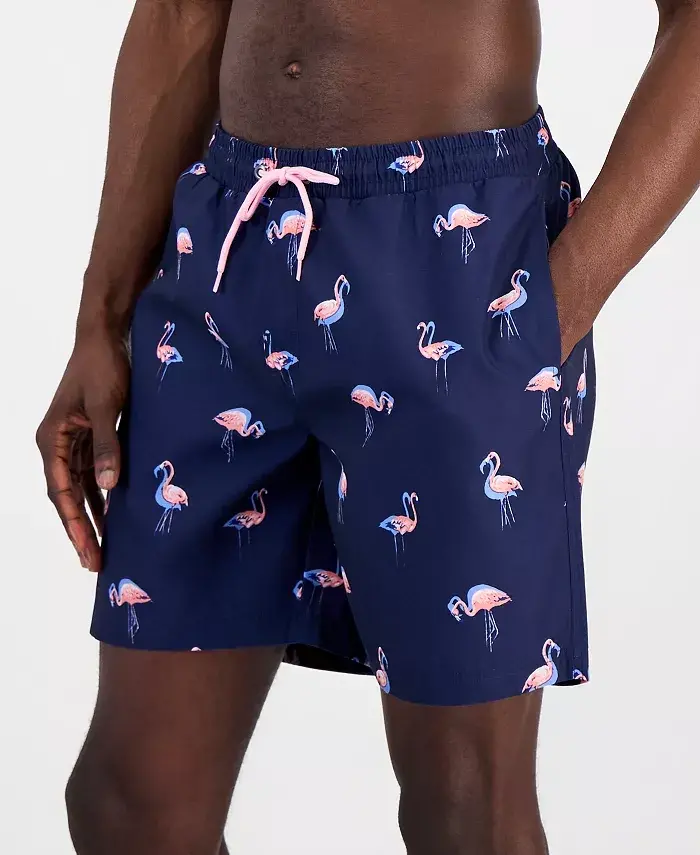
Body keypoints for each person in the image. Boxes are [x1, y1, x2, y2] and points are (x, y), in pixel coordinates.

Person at [35, 1, 700, 853]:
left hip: (455, 259)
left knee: (463, 812)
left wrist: (547, 316)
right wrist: (101, 318)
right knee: (128, 804)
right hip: (229, 248)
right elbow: (179, 11)